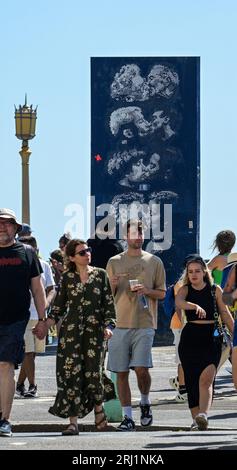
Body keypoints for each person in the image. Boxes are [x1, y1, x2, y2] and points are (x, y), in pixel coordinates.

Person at [34, 239, 116, 435]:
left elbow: (108, 305)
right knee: (71, 374)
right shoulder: (68, 278)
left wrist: (109, 326)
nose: (87, 254)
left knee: (93, 373)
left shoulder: (101, 275)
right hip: (71, 334)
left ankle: (99, 413)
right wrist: (45, 325)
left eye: (88, 250)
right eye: (81, 252)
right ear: (71, 257)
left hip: (95, 333)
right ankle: (73, 423)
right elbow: (58, 309)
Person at [106, 219, 166, 431]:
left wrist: (146, 291)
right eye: (133, 233)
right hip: (118, 324)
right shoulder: (114, 262)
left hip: (144, 323)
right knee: (121, 373)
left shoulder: (154, 262)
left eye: (140, 233)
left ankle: (145, 401)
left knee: (141, 369)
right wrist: (111, 285)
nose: (138, 237)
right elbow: (106, 297)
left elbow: (162, 293)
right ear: (125, 236)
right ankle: (127, 417)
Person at [0, 209, 46, 437]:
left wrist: (43, 320)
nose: (2, 226)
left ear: (16, 228)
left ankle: (4, 419)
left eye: (7, 223)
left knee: (5, 366)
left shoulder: (27, 253)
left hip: (15, 320)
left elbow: (37, 290)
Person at [176, 255, 234, 431]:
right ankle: (197, 421)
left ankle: (203, 415)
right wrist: (193, 306)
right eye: (190, 271)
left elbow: (224, 313)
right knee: (193, 382)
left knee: (207, 378)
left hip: (211, 337)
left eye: (197, 271)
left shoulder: (215, 290)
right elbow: (179, 303)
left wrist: (236, 333)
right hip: (190, 338)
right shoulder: (184, 290)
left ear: (204, 272)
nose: (194, 275)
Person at [15, 236, 56, 398]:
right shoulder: (16, 264)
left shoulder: (44, 266)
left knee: (33, 354)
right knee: (28, 353)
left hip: (40, 315)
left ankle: (19, 384)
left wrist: (46, 303)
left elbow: (51, 288)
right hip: (23, 314)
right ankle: (32, 385)